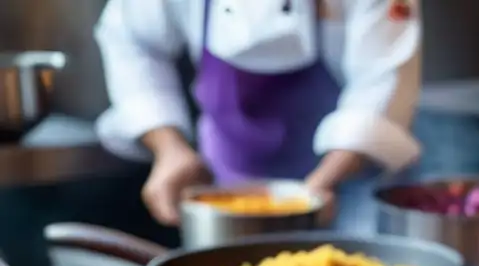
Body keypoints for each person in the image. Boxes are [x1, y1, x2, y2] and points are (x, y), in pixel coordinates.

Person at [94, 0, 421, 233]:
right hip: (221, 190)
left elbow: (382, 82)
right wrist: (168, 149)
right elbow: (133, 41)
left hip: (346, 195)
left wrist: (323, 183)